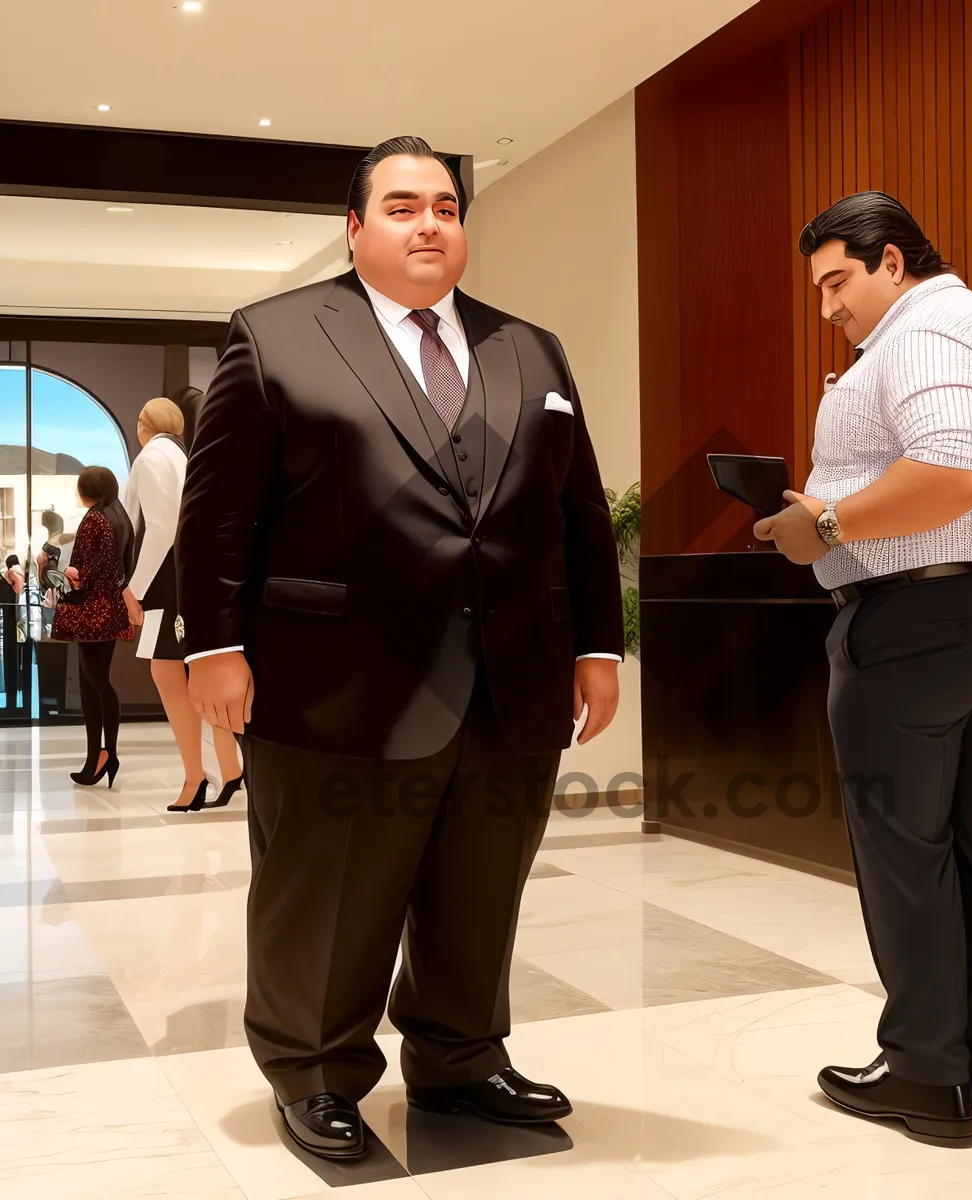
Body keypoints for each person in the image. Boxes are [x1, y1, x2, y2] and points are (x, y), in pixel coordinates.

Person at [176, 136, 624, 1161]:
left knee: (481, 882)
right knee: (326, 886)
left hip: (511, 675)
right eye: (404, 206)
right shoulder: (276, 334)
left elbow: (579, 511)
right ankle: (315, 1070)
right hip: (334, 676)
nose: (431, 224)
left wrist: (597, 644)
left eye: (447, 208)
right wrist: (214, 647)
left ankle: (463, 1055)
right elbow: (219, 515)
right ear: (356, 226)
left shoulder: (532, 348)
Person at [754, 192, 972, 1148]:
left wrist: (825, 525)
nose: (829, 305)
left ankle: (924, 1074)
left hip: (916, 624)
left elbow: (957, 468)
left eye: (838, 281)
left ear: (893, 262)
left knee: (904, 852)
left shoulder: (926, 331)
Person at [123, 397, 243, 813]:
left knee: (173, 678)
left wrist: (134, 588)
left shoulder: (152, 457)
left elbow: (158, 529)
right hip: (185, 575)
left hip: (165, 580)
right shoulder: (182, 455)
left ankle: (199, 776)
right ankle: (225, 770)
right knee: (187, 678)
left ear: (144, 424)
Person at [48, 466, 137, 787]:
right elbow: (118, 566)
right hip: (109, 609)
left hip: (90, 611)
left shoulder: (94, 520)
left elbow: (87, 570)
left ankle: (106, 755)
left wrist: (68, 572)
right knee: (94, 681)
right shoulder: (119, 516)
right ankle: (97, 757)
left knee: (96, 682)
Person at [1, 554, 23, 712]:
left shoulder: (11, 574)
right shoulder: (19, 572)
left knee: (10, 661)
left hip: (9, 624)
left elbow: (18, 592)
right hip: (14, 623)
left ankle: (11, 703)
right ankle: (12, 702)